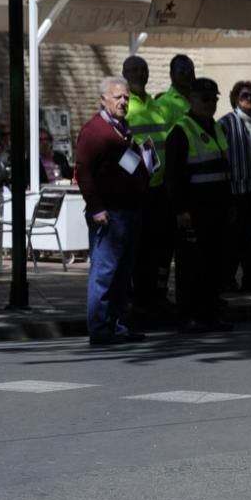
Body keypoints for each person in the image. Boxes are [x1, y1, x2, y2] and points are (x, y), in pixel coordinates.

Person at [75, 77, 152, 346]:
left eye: (126, 97)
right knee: (105, 272)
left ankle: (117, 325)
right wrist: (96, 208)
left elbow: (125, 165)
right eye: (117, 97)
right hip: (109, 213)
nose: (123, 101)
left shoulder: (123, 129)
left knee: (123, 274)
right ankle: (100, 328)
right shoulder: (94, 131)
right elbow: (82, 171)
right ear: (103, 100)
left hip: (129, 210)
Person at [165, 78, 233, 333]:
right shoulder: (181, 131)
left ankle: (210, 314)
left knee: (214, 265)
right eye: (205, 99)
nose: (211, 104)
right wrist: (181, 210)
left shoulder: (214, 127)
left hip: (216, 209)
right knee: (191, 266)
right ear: (192, 99)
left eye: (214, 99)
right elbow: (174, 176)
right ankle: (188, 315)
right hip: (194, 210)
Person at [124, 55, 176, 312]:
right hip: (138, 189)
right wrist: (136, 178)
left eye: (142, 69)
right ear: (124, 74)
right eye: (133, 69)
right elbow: (122, 150)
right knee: (140, 247)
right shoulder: (125, 106)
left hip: (161, 187)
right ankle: (138, 298)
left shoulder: (156, 106)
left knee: (159, 247)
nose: (138, 73)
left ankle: (156, 295)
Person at [219, 80, 251, 293]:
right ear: (235, 98)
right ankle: (228, 279)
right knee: (233, 237)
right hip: (234, 190)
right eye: (244, 95)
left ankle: (250, 277)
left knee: (248, 236)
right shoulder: (226, 123)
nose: (248, 99)